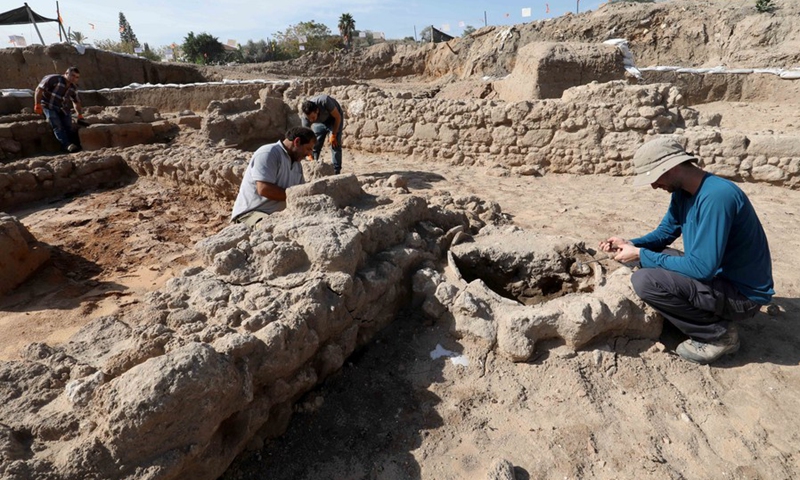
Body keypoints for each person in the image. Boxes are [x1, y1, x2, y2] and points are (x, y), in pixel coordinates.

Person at [599, 137, 774, 364]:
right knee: (661, 258)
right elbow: (664, 234)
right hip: (717, 277)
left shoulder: (717, 197)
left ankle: (718, 336)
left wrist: (640, 255)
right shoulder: (683, 193)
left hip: (742, 296)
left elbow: (702, 269)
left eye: (654, 177)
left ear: (671, 168)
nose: (653, 186)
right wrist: (630, 244)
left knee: (645, 280)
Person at [230, 127, 315, 227]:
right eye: (308, 149)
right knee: (270, 228)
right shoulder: (269, 153)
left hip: (277, 217)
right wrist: (294, 195)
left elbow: (300, 191)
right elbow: (264, 189)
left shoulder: (297, 164)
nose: (309, 154)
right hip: (252, 214)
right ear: (297, 142)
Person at [34, 66, 84, 153]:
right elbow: (39, 89)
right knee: (57, 125)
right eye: (72, 75)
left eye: (77, 77)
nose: (74, 78)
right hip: (48, 105)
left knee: (68, 126)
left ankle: (75, 144)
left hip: (63, 108)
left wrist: (79, 114)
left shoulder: (73, 87)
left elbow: (76, 102)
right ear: (66, 73)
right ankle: (67, 145)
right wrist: (37, 104)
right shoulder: (53, 79)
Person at [301, 94, 344, 174]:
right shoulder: (306, 118)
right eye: (309, 119)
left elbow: (338, 117)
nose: (311, 121)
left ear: (317, 110)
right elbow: (306, 137)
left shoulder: (325, 101)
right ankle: (314, 167)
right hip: (320, 122)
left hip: (333, 119)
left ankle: (336, 171)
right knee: (315, 144)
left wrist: (334, 135)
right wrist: (308, 152)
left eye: (312, 117)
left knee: (335, 144)